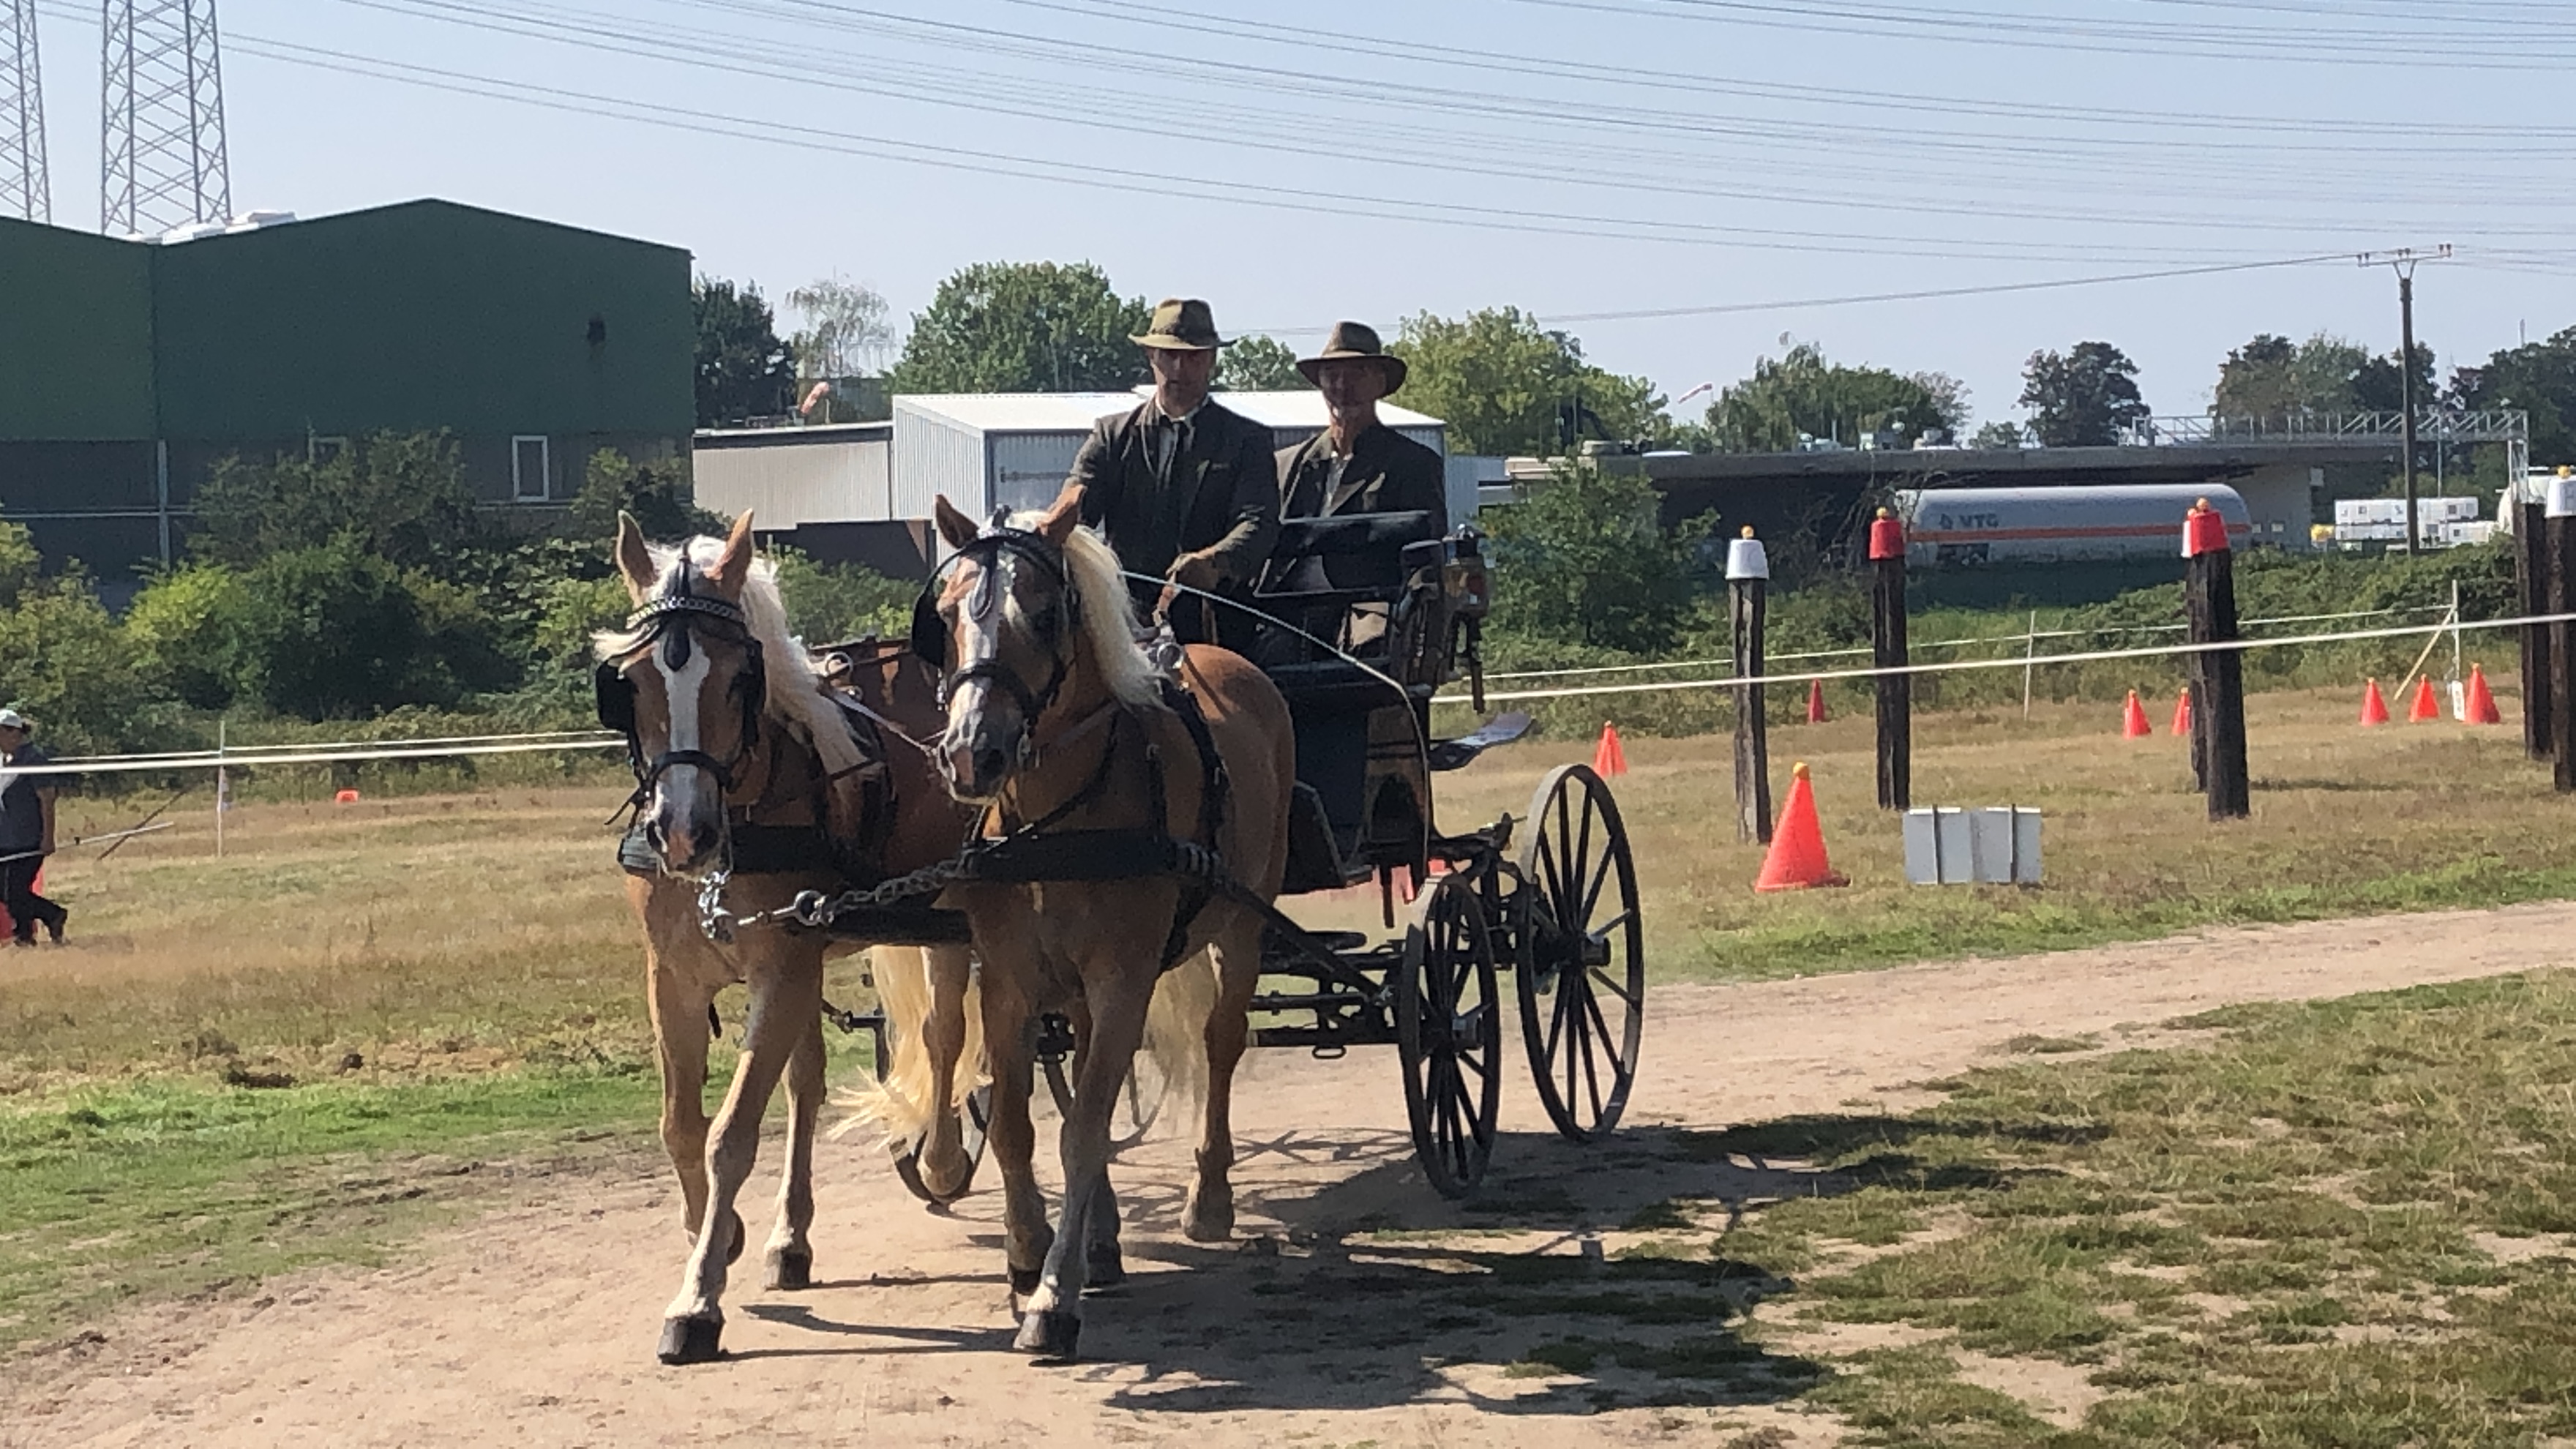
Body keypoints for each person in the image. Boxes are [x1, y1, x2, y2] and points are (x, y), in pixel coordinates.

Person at [1064, 299, 1281, 639]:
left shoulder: (1247, 440)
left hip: (1217, 619)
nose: (1179, 367)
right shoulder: (1111, 436)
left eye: (1193, 356)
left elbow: (1259, 522)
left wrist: (1214, 562)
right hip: (1121, 621)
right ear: (1151, 356)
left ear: (1212, 359)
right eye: (1169, 355)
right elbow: (1073, 517)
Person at [1267, 321, 1449, 656]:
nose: (1342, 386)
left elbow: (1428, 555)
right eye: (1332, 374)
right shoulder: (1285, 465)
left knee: (1371, 653)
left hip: (1372, 612)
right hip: (1287, 612)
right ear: (1320, 382)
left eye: (1357, 373)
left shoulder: (1412, 463)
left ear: (1380, 382)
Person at [0, 708, 66, 946]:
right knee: (5, 891)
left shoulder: (33, 759)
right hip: (4, 838)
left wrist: (48, 837)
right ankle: (51, 915)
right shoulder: (3, 760)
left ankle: (25, 935)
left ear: (13, 734)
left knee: (15, 891)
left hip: (28, 838)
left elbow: (47, 798)